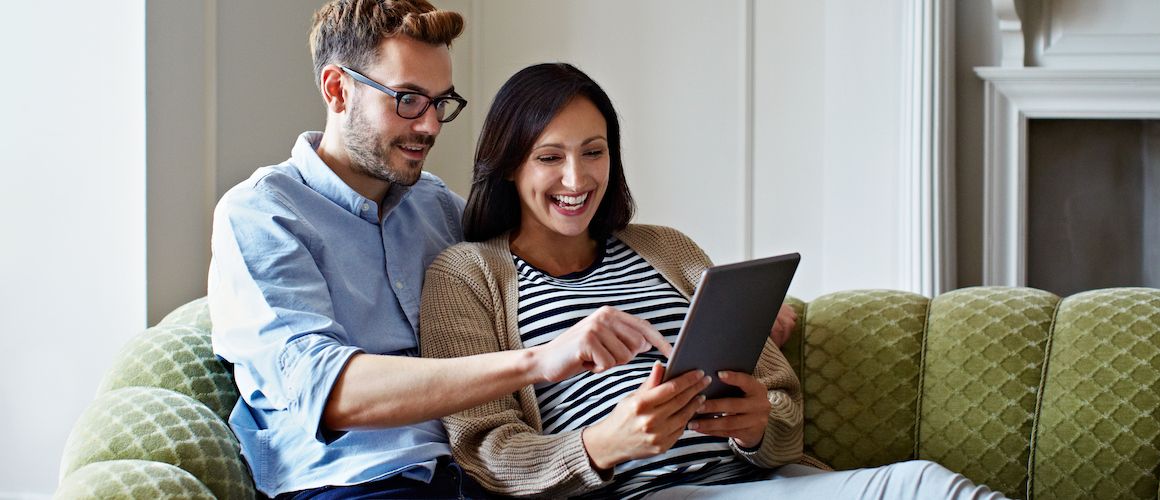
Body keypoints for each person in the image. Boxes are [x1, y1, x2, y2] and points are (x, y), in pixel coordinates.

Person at [418, 63, 1009, 499]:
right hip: (640, 492)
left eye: (593, 152)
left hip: (766, 482)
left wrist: (758, 428)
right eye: (549, 157)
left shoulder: (667, 248)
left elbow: (780, 398)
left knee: (934, 487)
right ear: (510, 163)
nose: (576, 177)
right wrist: (604, 444)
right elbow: (482, 448)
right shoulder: (467, 275)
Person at [208, 2, 678, 498]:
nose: (431, 125)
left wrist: (747, 314)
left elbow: (551, 273)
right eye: (408, 99)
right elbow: (330, 392)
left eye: (440, 102)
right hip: (359, 482)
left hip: (487, 477)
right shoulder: (263, 215)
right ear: (336, 89)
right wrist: (537, 361)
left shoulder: (438, 207)